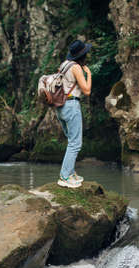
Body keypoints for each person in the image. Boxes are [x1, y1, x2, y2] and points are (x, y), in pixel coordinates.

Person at [56, 40, 92, 188]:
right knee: (75, 144)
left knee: (71, 140)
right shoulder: (76, 68)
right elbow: (87, 91)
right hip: (71, 105)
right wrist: (89, 74)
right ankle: (65, 177)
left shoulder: (64, 64)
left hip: (60, 106)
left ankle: (70, 173)